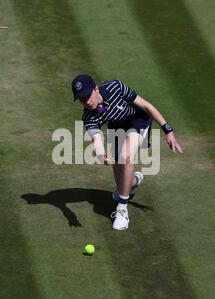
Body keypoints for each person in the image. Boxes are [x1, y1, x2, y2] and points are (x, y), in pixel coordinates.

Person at [71, 74, 183, 231]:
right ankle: (135, 180)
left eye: (88, 96)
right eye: (82, 99)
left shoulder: (115, 87)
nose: (87, 102)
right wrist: (101, 154)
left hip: (138, 119)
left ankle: (122, 210)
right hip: (116, 128)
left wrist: (168, 130)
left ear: (96, 89)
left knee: (125, 157)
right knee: (124, 184)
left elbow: (146, 106)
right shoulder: (88, 116)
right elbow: (96, 140)